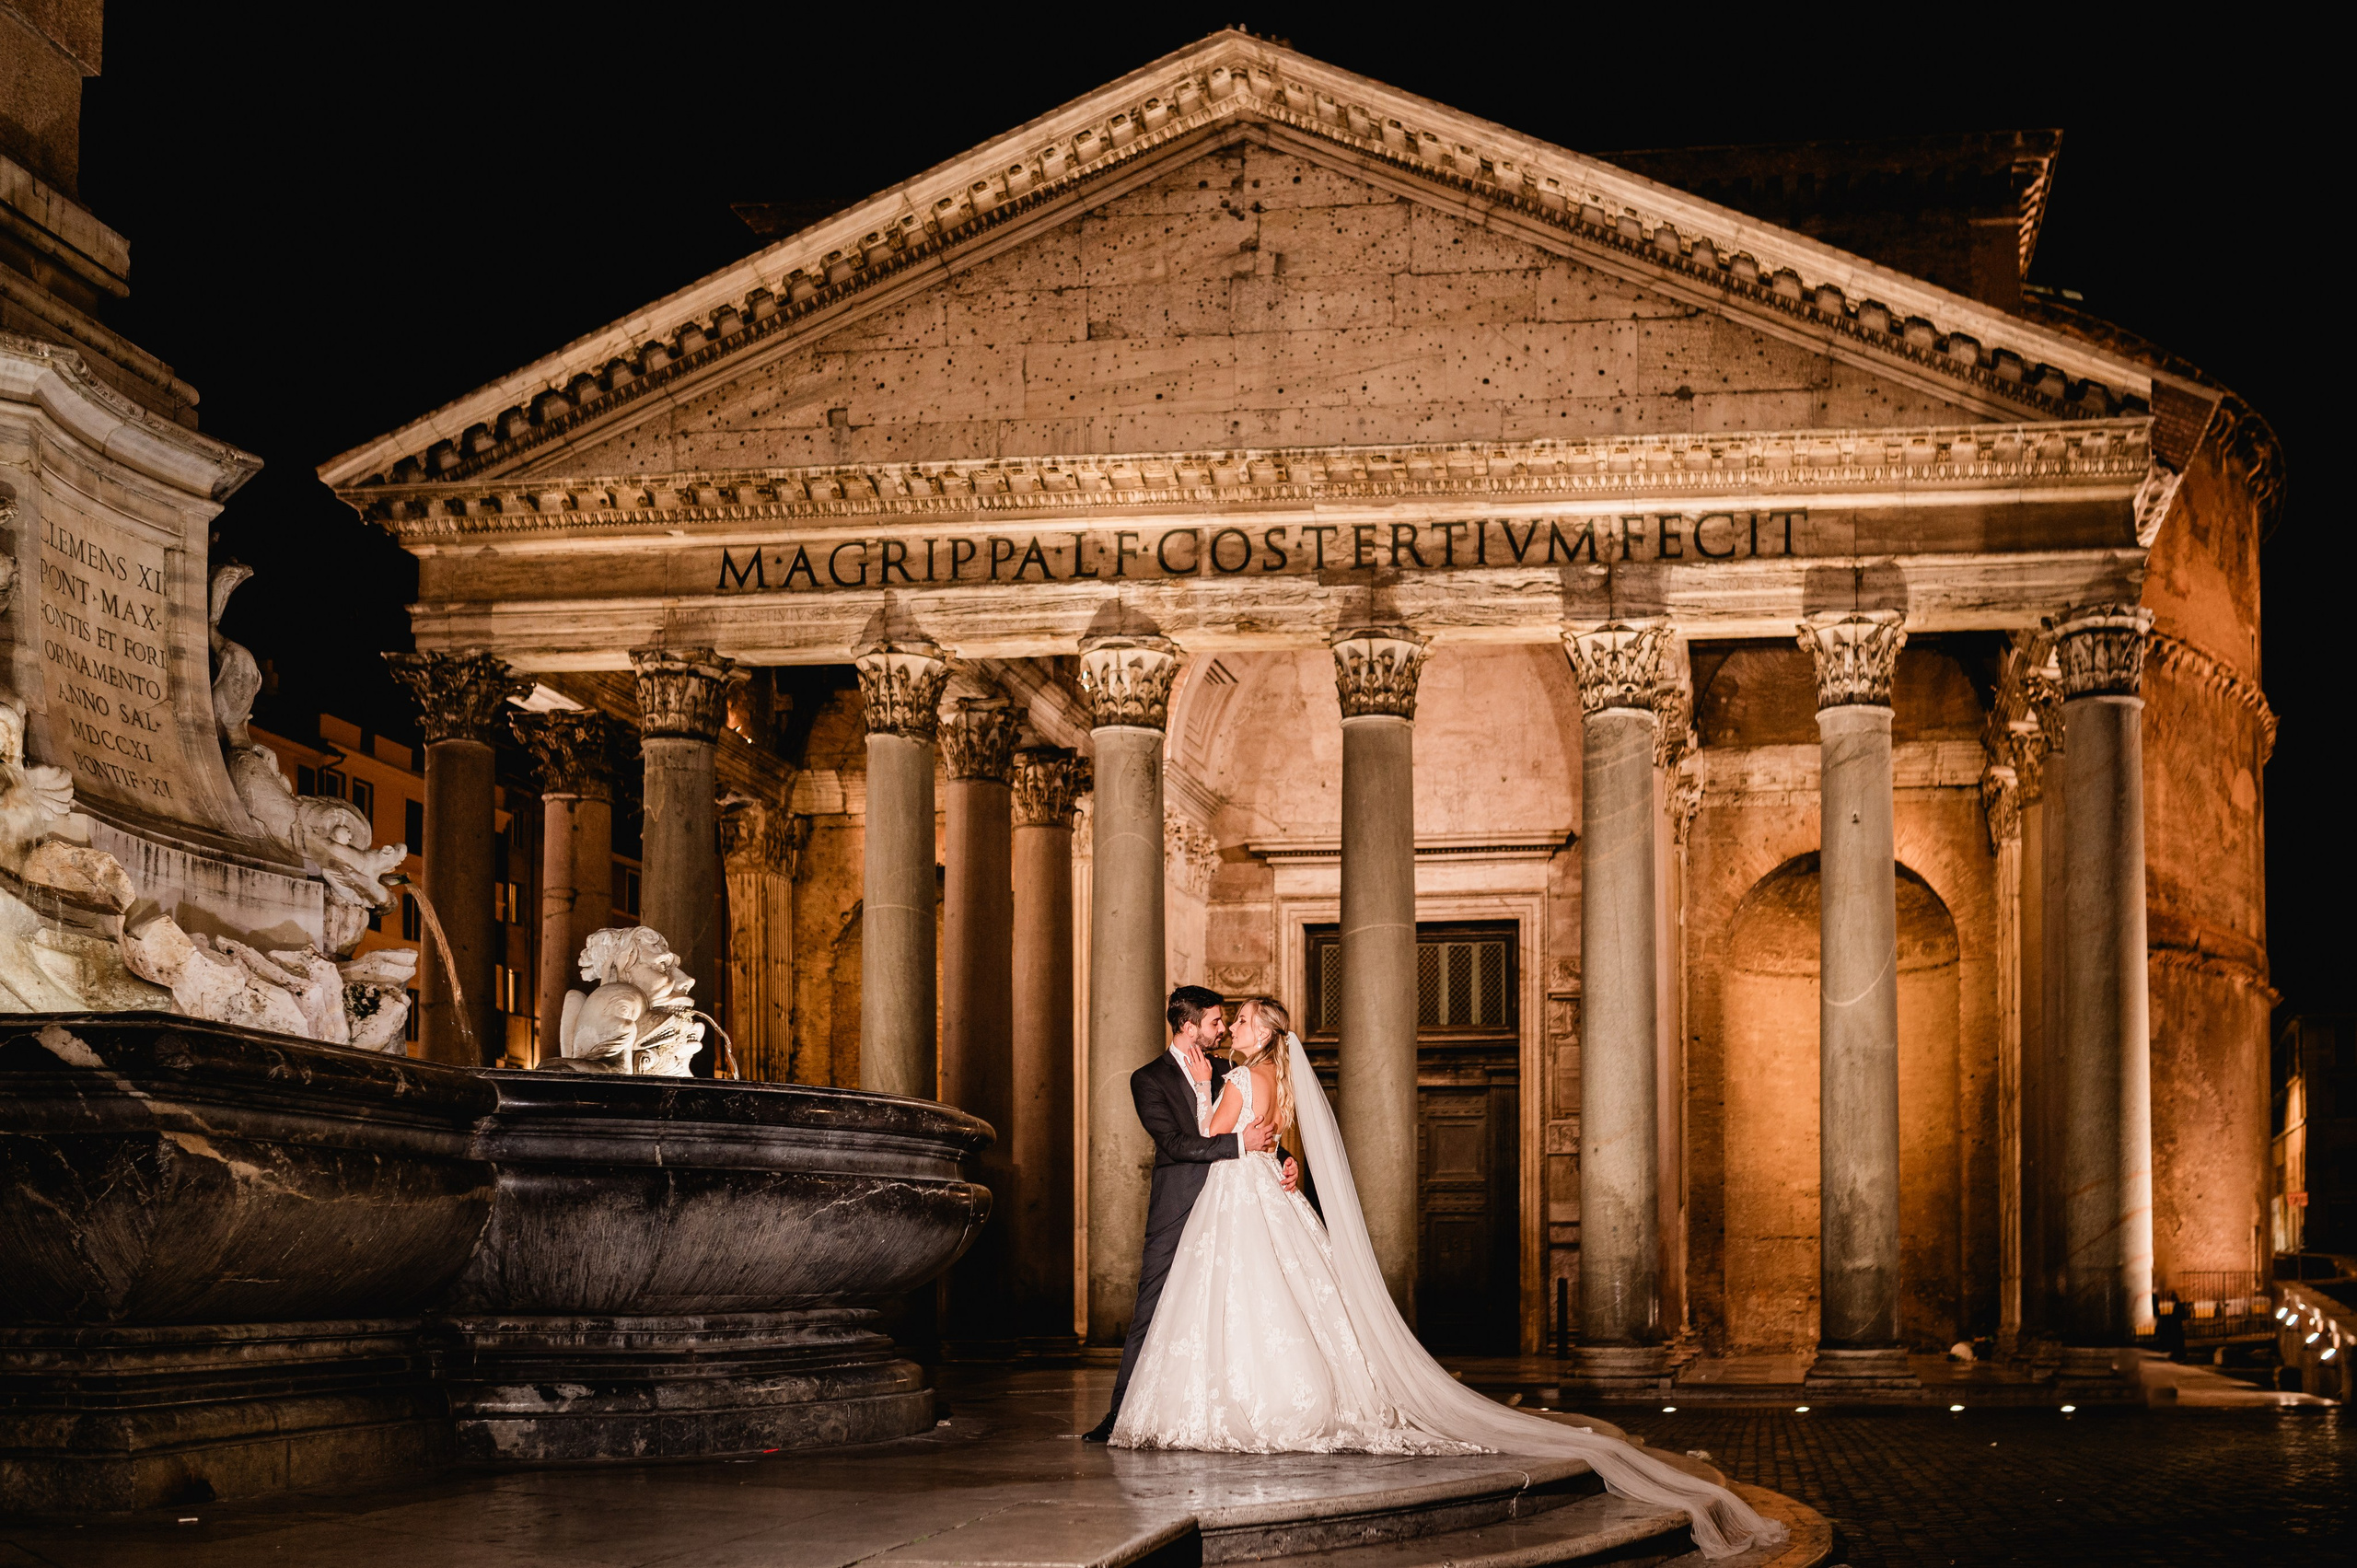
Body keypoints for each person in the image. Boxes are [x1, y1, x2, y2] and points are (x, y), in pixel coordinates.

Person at [1108, 995, 1785, 1561]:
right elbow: (1242, 1137)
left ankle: (1240, 1401)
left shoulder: (1233, 1078)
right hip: (1256, 1198)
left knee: (1241, 1308)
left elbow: (1207, 1133)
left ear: (1264, 1034)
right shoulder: (1276, 1079)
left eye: (1246, 1020)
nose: (1234, 1029)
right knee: (1278, 1304)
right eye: (1231, 1020)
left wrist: (1208, 1087)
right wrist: (1272, 1150)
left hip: (1237, 1202)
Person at [1081, 984, 1300, 1443]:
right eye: (1216, 1023)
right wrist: (1244, 1145)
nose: (1222, 1030)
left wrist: (1283, 1159)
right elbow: (1177, 1144)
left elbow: (1256, 1121)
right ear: (1189, 1027)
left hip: (1236, 1206)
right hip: (1179, 1205)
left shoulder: (1230, 1070)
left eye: (1228, 1022)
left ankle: (1230, 1407)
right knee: (1152, 1308)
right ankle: (1119, 1414)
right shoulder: (1148, 1079)